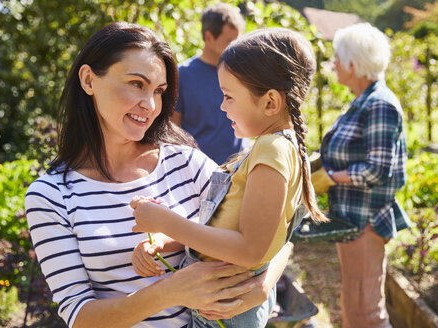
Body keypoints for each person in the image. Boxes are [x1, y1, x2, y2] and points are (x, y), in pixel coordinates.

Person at [24, 22, 291, 328]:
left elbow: (275, 239)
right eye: (136, 83)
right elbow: (79, 316)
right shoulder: (51, 195)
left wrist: (262, 288)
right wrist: (168, 292)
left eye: (159, 91)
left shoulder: (188, 164)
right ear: (88, 80)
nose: (150, 105)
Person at [130, 28, 328, 328]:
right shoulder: (278, 147)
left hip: (226, 314)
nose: (223, 107)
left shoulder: (271, 149)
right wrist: (168, 240)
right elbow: (234, 227)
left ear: (270, 102)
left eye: (229, 97)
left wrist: (165, 222)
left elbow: (249, 249)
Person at [311, 23, 410, 328]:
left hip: (366, 221)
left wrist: (331, 177)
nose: (333, 65)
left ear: (353, 64)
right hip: (354, 219)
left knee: (367, 312)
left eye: (337, 58)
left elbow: (378, 169)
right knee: (354, 306)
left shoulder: (379, 104)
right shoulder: (362, 100)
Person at [172, 3, 249, 165]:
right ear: (208, 37)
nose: (235, 47)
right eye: (229, 41)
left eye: (238, 40)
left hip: (239, 172)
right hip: (198, 174)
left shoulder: (242, 73)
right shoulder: (182, 75)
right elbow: (172, 130)